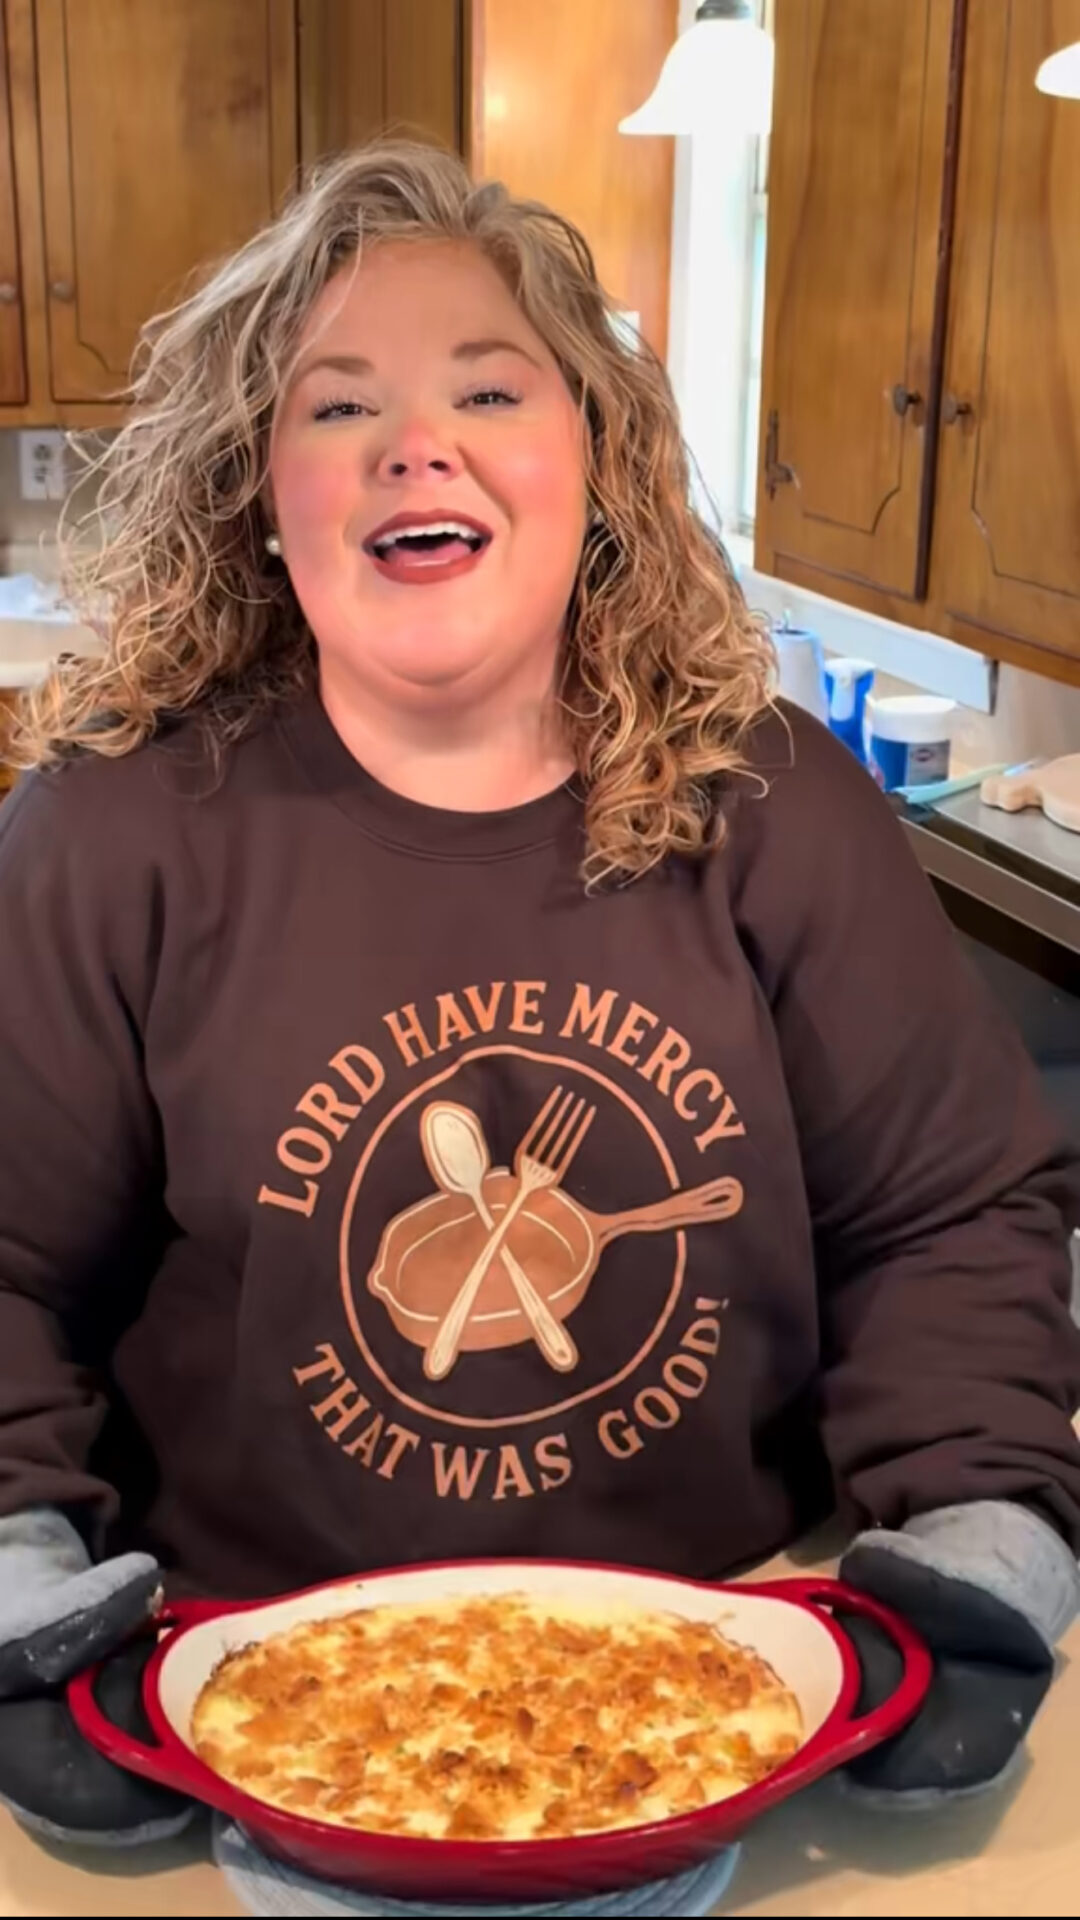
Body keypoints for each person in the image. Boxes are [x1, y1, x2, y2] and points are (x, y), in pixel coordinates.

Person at [0, 141, 1078, 1853]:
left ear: (599, 460)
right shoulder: (108, 839)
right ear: (259, 498)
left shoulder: (780, 809)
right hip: (239, 1693)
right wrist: (15, 1581)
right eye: (338, 406)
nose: (415, 442)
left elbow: (948, 1222)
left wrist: (978, 1536)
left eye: (487, 387)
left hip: (732, 1660)